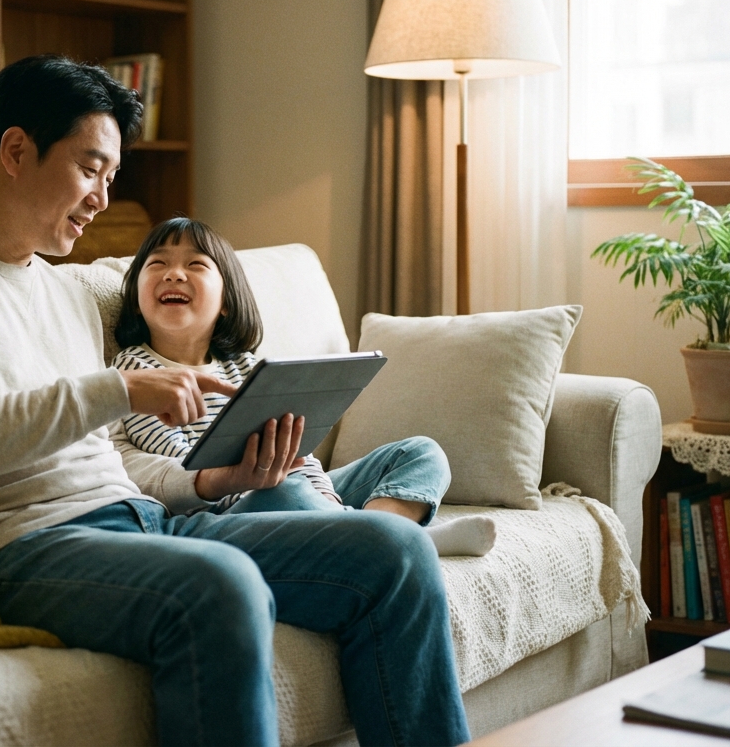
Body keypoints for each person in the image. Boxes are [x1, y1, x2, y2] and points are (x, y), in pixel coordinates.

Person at [0, 54, 471, 747]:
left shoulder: (63, 290)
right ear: (16, 150)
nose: (102, 200)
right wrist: (121, 388)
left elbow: (108, 453)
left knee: (393, 551)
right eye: (89, 169)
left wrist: (213, 483)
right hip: (8, 548)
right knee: (222, 584)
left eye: (110, 179)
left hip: (142, 523)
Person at [111, 216, 497, 557]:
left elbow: (300, 447)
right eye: (157, 263)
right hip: (227, 509)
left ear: (226, 302)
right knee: (285, 493)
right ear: (137, 294)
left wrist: (324, 494)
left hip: (299, 489)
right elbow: (182, 466)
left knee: (421, 453)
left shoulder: (247, 365)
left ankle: (382, 534)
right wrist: (266, 483)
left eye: (195, 265)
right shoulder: (134, 368)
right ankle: (400, 540)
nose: (174, 273)